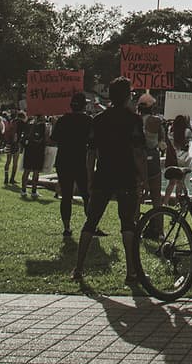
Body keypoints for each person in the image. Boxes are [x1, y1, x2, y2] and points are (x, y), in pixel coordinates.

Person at [71, 77, 148, 287]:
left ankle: (78, 269)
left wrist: (89, 178)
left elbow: (91, 154)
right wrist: (144, 178)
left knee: (91, 222)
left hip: (103, 175)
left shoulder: (99, 120)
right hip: (126, 176)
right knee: (127, 225)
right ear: (127, 96)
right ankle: (131, 271)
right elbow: (138, 152)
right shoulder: (133, 120)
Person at [50, 93, 103, 239]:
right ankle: (91, 226)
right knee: (86, 195)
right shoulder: (88, 120)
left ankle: (66, 227)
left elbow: (53, 139)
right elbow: (93, 142)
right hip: (80, 161)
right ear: (83, 106)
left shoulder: (62, 120)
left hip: (63, 160)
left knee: (66, 195)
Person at [21, 115, 47, 198]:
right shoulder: (43, 126)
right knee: (36, 171)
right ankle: (33, 191)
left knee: (27, 170)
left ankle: (23, 190)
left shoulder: (29, 124)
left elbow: (24, 137)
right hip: (38, 150)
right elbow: (44, 139)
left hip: (29, 149)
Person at [3, 111, 25, 187]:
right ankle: (12, 179)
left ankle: (6, 178)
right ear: (22, 117)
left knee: (8, 161)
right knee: (15, 162)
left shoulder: (12, 121)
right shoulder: (21, 123)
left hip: (9, 143)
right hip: (16, 144)